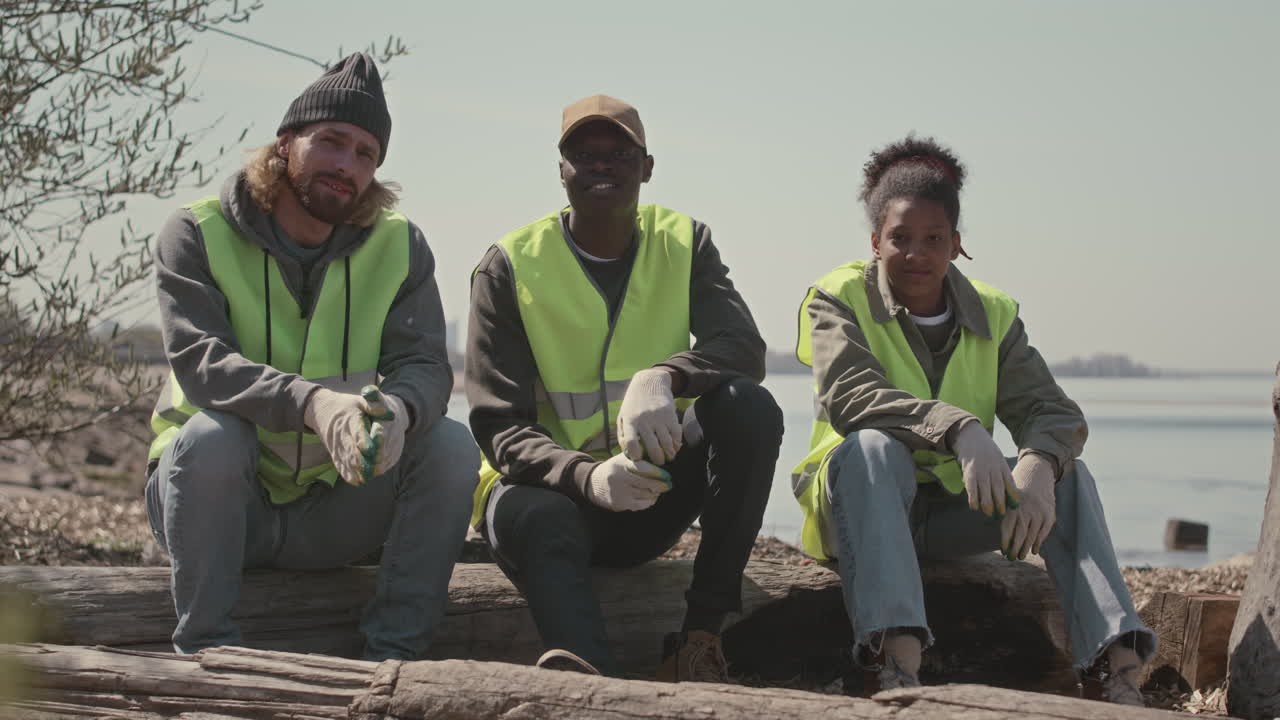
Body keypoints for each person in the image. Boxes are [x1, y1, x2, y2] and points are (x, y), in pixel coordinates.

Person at [791, 136, 1156, 703]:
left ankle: (1115, 670)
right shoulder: (837, 297)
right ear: (874, 241)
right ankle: (894, 666)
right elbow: (849, 395)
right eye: (900, 238)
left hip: (947, 514)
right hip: (856, 510)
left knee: (1070, 476)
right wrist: (959, 428)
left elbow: (1049, 410)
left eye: (934, 239)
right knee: (872, 448)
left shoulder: (995, 311)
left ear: (957, 244)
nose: (917, 253)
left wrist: (1037, 464)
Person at [144, 53, 478, 660]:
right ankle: (208, 656)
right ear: (285, 144)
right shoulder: (196, 232)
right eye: (331, 142)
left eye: (365, 154)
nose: (346, 166)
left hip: (331, 507)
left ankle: (393, 660)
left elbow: (428, 367)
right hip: (215, 506)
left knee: (452, 444)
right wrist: (318, 404)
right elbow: (200, 359)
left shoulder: (400, 246)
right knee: (214, 437)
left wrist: (398, 413)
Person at [466, 94, 783, 681]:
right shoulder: (507, 264)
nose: (601, 166)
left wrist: (663, 375)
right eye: (584, 154)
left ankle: (700, 641)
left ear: (648, 166)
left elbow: (744, 349)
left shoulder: (685, 242)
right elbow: (497, 424)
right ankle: (592, 683)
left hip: (646, 496)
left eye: (619, 154)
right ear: (561, 170)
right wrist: (585, 476)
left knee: (749, 408)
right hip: (542, 500)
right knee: (542, 516)